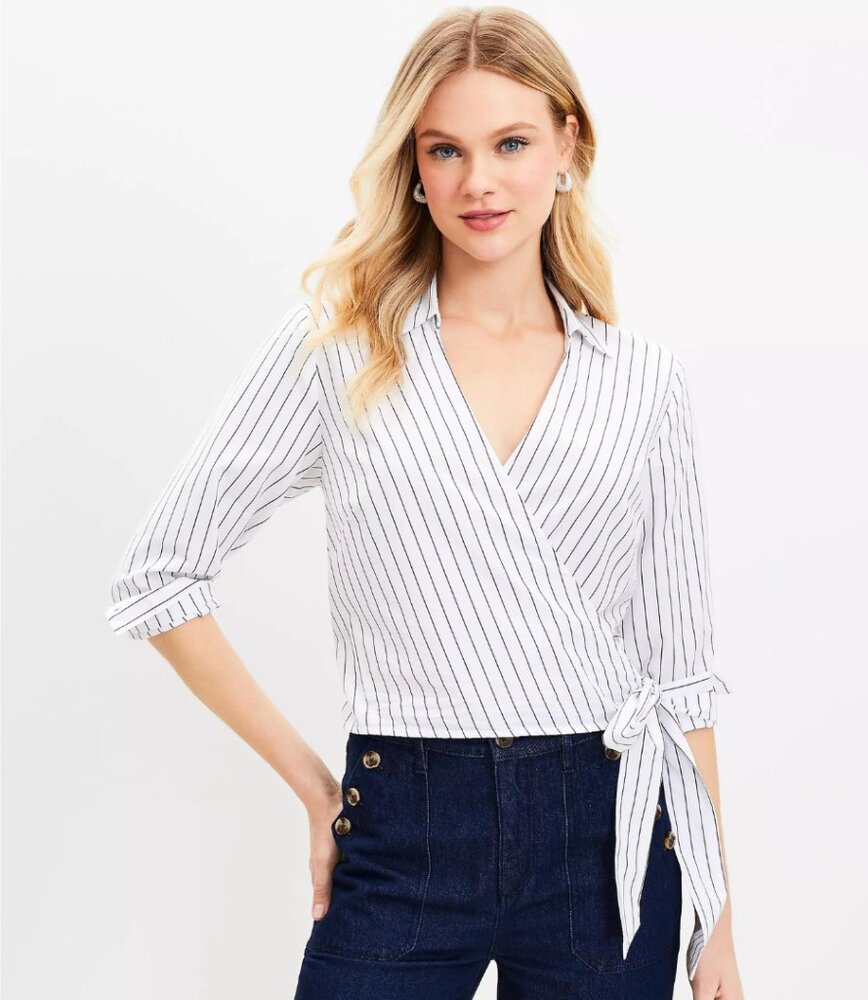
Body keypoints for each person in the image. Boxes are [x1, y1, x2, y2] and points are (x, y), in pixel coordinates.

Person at [105, 7, 744, 999]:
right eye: (446, 149)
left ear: (568, 145)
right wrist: (315, 788)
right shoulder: (341, 348)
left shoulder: (641, 382)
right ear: (412, 166)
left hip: (606, 846)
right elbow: (159, 576)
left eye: (510, 143)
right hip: (402, 828)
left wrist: (715, 927)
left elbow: (680, 679)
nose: (478, 180)